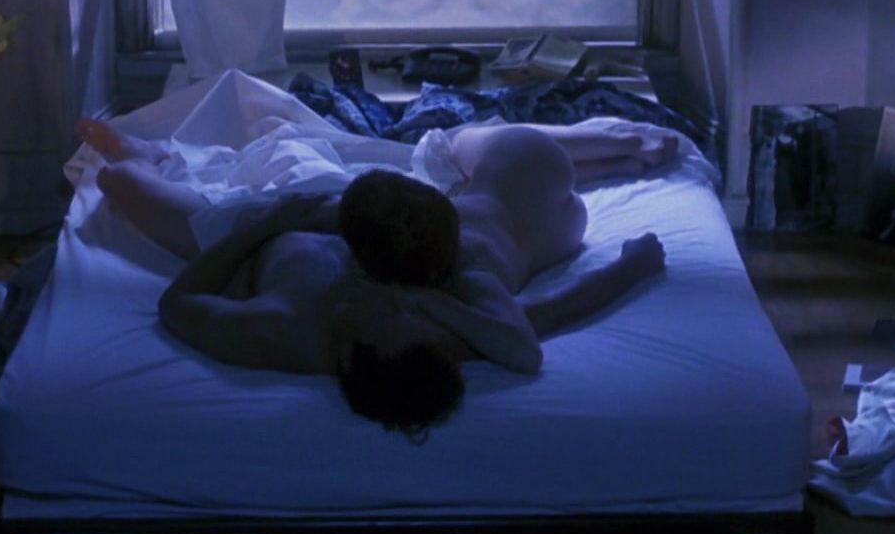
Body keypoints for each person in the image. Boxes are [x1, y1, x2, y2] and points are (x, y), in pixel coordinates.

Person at [80, 118, 673, 439]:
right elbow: (535, 329)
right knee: (507, 156)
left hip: (285, 226)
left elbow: (179, 302)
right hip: (374, 216)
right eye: (398, 310)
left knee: (119, 182)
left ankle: (148, 156)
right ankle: (614, 141)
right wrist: (631, 269)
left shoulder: (278, 332)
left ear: (346, 353)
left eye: (382, 314)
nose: (381, 303)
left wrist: (262, 228)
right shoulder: (440, 322)